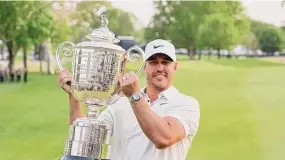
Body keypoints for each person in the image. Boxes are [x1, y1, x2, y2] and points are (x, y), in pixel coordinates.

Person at [58, 39, 200, 160]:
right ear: (145, 66)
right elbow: (86, 138)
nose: (160, 67)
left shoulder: (187, 104)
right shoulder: (119, 102)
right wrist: (74, 95)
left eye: (165, 62)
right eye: (153, 62)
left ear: (175, 66)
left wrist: (134, 96)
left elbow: (163, 138)